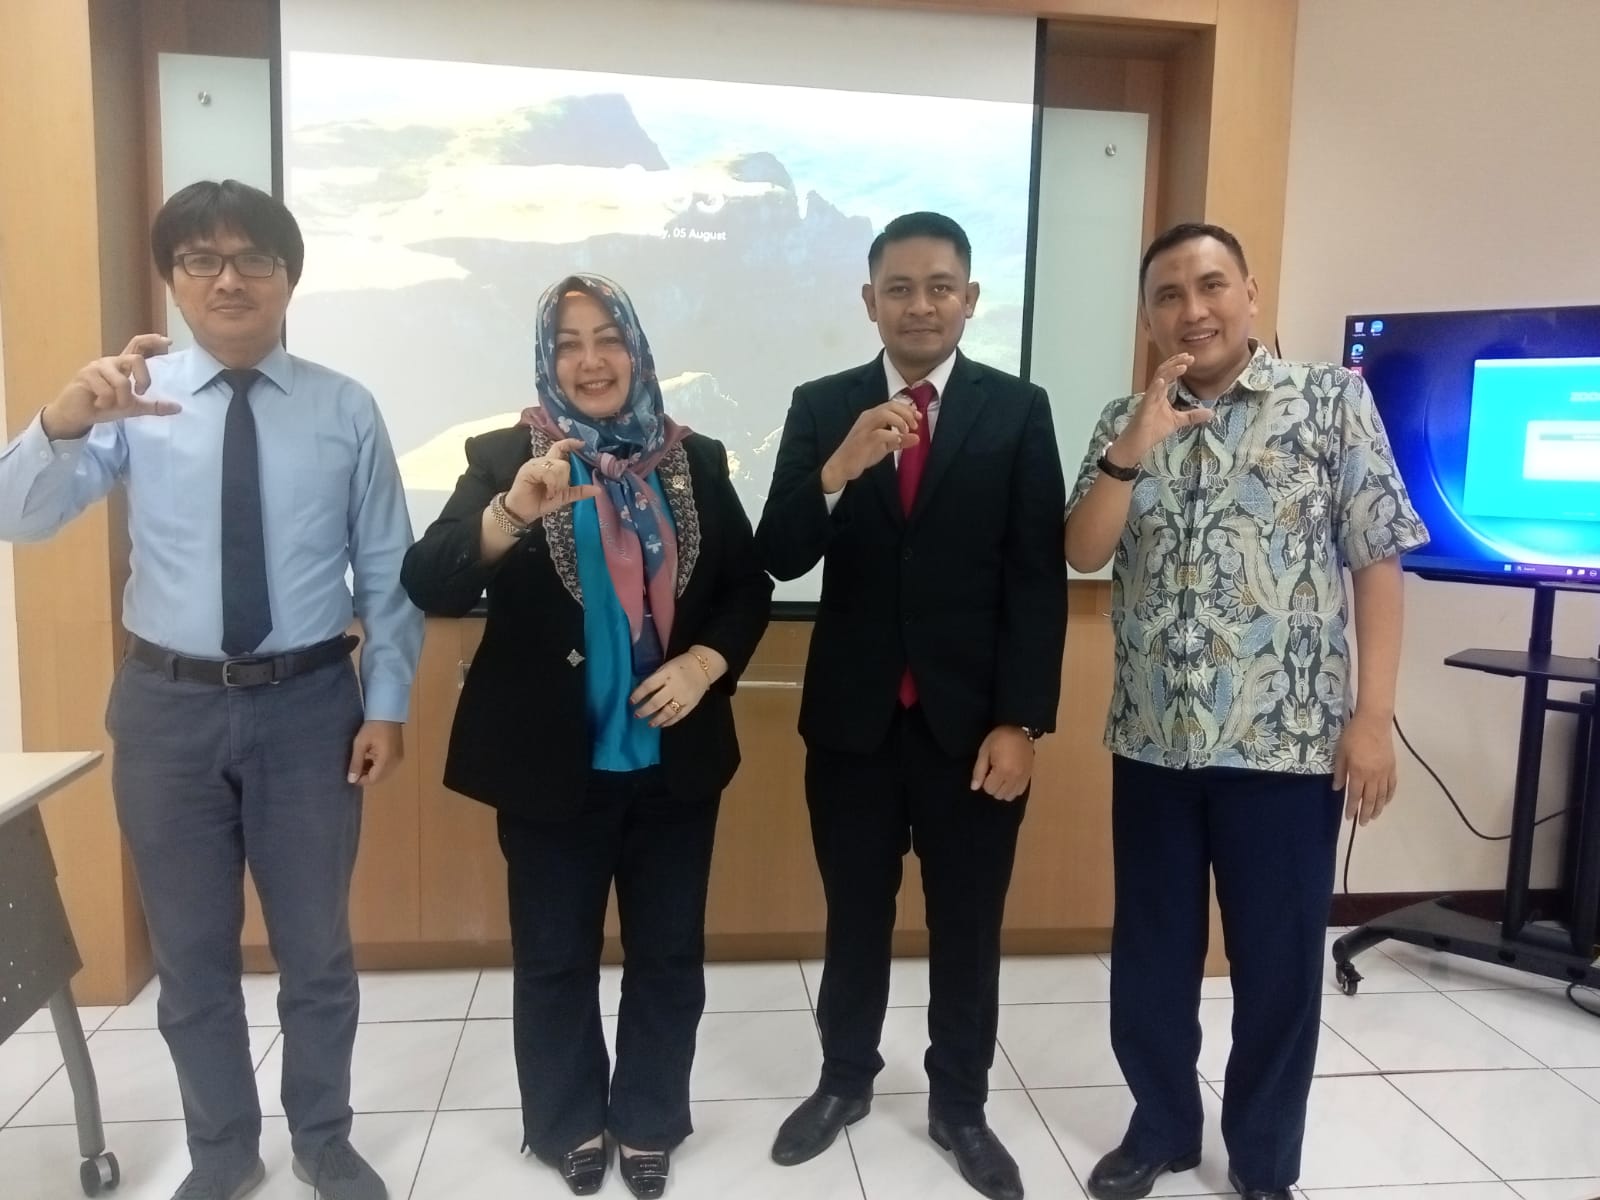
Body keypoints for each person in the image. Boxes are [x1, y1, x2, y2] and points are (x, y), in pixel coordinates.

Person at [0, 179, 423, 1200]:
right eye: (202, 259)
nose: (229, 279)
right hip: (167, 711)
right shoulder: (131, 401)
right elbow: (19, 517)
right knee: (191, 960)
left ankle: (322, 1138)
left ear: (288, 278)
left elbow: (386, 570)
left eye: (253, 258)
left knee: (315, 951)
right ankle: (223, 1151)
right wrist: (60, 419)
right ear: (174, 280)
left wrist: (387, 703)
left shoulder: (344, 406)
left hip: (310, 707)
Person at [1063, 223, 1429, 1200]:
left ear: (1250, 294)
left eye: (1211, 285)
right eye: (1169, 295)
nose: (1193, 310)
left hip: (1286, 746)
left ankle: (1264, 1162)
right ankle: (1161, 1127)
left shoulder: (1329, 402)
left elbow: (1377, 560)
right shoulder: (1122, 418)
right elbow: (1083, 551)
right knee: (1150, 958)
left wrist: (1373, 719)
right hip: (1152, 739)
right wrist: (1129, 453)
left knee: (1276, 968)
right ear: (1149, 318)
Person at [400, 273, 771, 1199]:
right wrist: (511, 512)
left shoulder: (695, 459)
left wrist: (705, 664)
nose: (591, 360)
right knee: (555, 959)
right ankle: (567, 1121)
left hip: (673, 766)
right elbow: (432, 581)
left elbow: (747, 586)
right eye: (569, 344)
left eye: (608, 339)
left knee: (668, 956)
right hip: (550, 769)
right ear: (547, 360)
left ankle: (648, 1118)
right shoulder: (505, 457)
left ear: (636, 351)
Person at [756, 212, 1067, 1200]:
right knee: (854, 916)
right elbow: (778, 554)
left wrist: (1021, 720)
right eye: (899, 288)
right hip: (851, 726)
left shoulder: (1017, 410)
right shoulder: (823, 406)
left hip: (971, 730)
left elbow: (1035, 579)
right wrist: (837, 470)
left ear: (969, 299)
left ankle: (960, 1105)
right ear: (869, 301)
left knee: (967, 927)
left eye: (939, 287)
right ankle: (844, 1080)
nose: (920, 305)